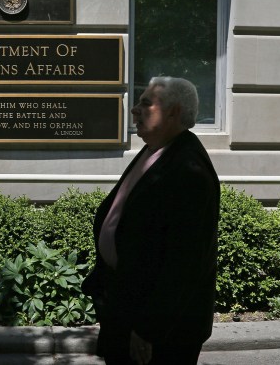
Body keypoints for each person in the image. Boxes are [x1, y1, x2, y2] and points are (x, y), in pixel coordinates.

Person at [83, 77, 220, 364]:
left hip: (158, 331)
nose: (134, 110)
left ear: (173, 112)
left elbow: (183, 263)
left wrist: (149, 329)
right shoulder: (155, 151)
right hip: (125, 307)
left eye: (146, 103)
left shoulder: (188, 169)